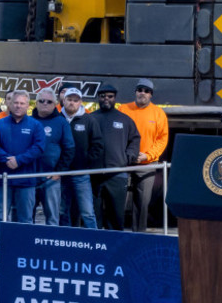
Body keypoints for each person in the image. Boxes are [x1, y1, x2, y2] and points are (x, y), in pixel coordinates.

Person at [0, 90, 45, 263]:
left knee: (25, 217)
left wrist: (19, 160)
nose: (18, 106)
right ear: (9, 104)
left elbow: (39, 147)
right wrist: (7, 159)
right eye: (15, 103)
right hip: (2, 179)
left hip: (26, 179)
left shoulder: (36, 125)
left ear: (28, 105)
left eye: (22, 103)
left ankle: (24, 250)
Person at [119, 78, 168, 232]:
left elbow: (162, 139)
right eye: (140, 90)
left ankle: (139, 234)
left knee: (142, 202)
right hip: (123, 162)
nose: (142, 93)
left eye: (146, 91)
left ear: (151, 95)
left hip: (147, 163)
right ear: (135, 92)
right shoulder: (123, 109)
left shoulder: (159, 113)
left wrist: (148, 155)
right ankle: (115, 233)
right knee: (117, 199)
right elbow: (116, 135)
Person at [91, 83, 140, 230]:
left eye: (110, 96)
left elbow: (135, 139)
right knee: (94, 216)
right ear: (98, 98)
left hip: (117, 175)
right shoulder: (90, 118)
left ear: (115, 98)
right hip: (94, 176)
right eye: (102, 96)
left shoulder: (125, 119)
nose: (106, 99)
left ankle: (115, 249)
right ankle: (95, 245)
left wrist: (129, 156)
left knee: (116, 217)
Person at [31, 87, 75, 226]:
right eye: (41, 101)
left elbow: (69, 148)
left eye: (49, 102)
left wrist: (59, 171)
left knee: (52, 217)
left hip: (51, 178)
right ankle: (27, 245)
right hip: (29, 177)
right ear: (36, 103)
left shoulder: (61, 122)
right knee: (25, 217)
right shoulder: (28, 121)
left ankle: (50, 246)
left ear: (55, 103)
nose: (45, 103)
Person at [60, 88, 102, 229]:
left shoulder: (89, 120)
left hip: (81, 174)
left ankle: (95, 242)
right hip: (60, 174)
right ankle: (64, 242)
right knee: (62, 211)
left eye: (75, 100)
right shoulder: (57, 119)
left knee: (87, 212)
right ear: (63, 101)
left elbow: (98, 145)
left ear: (80, 102)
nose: (72, 103)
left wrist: (86, 162)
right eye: (69, 99)